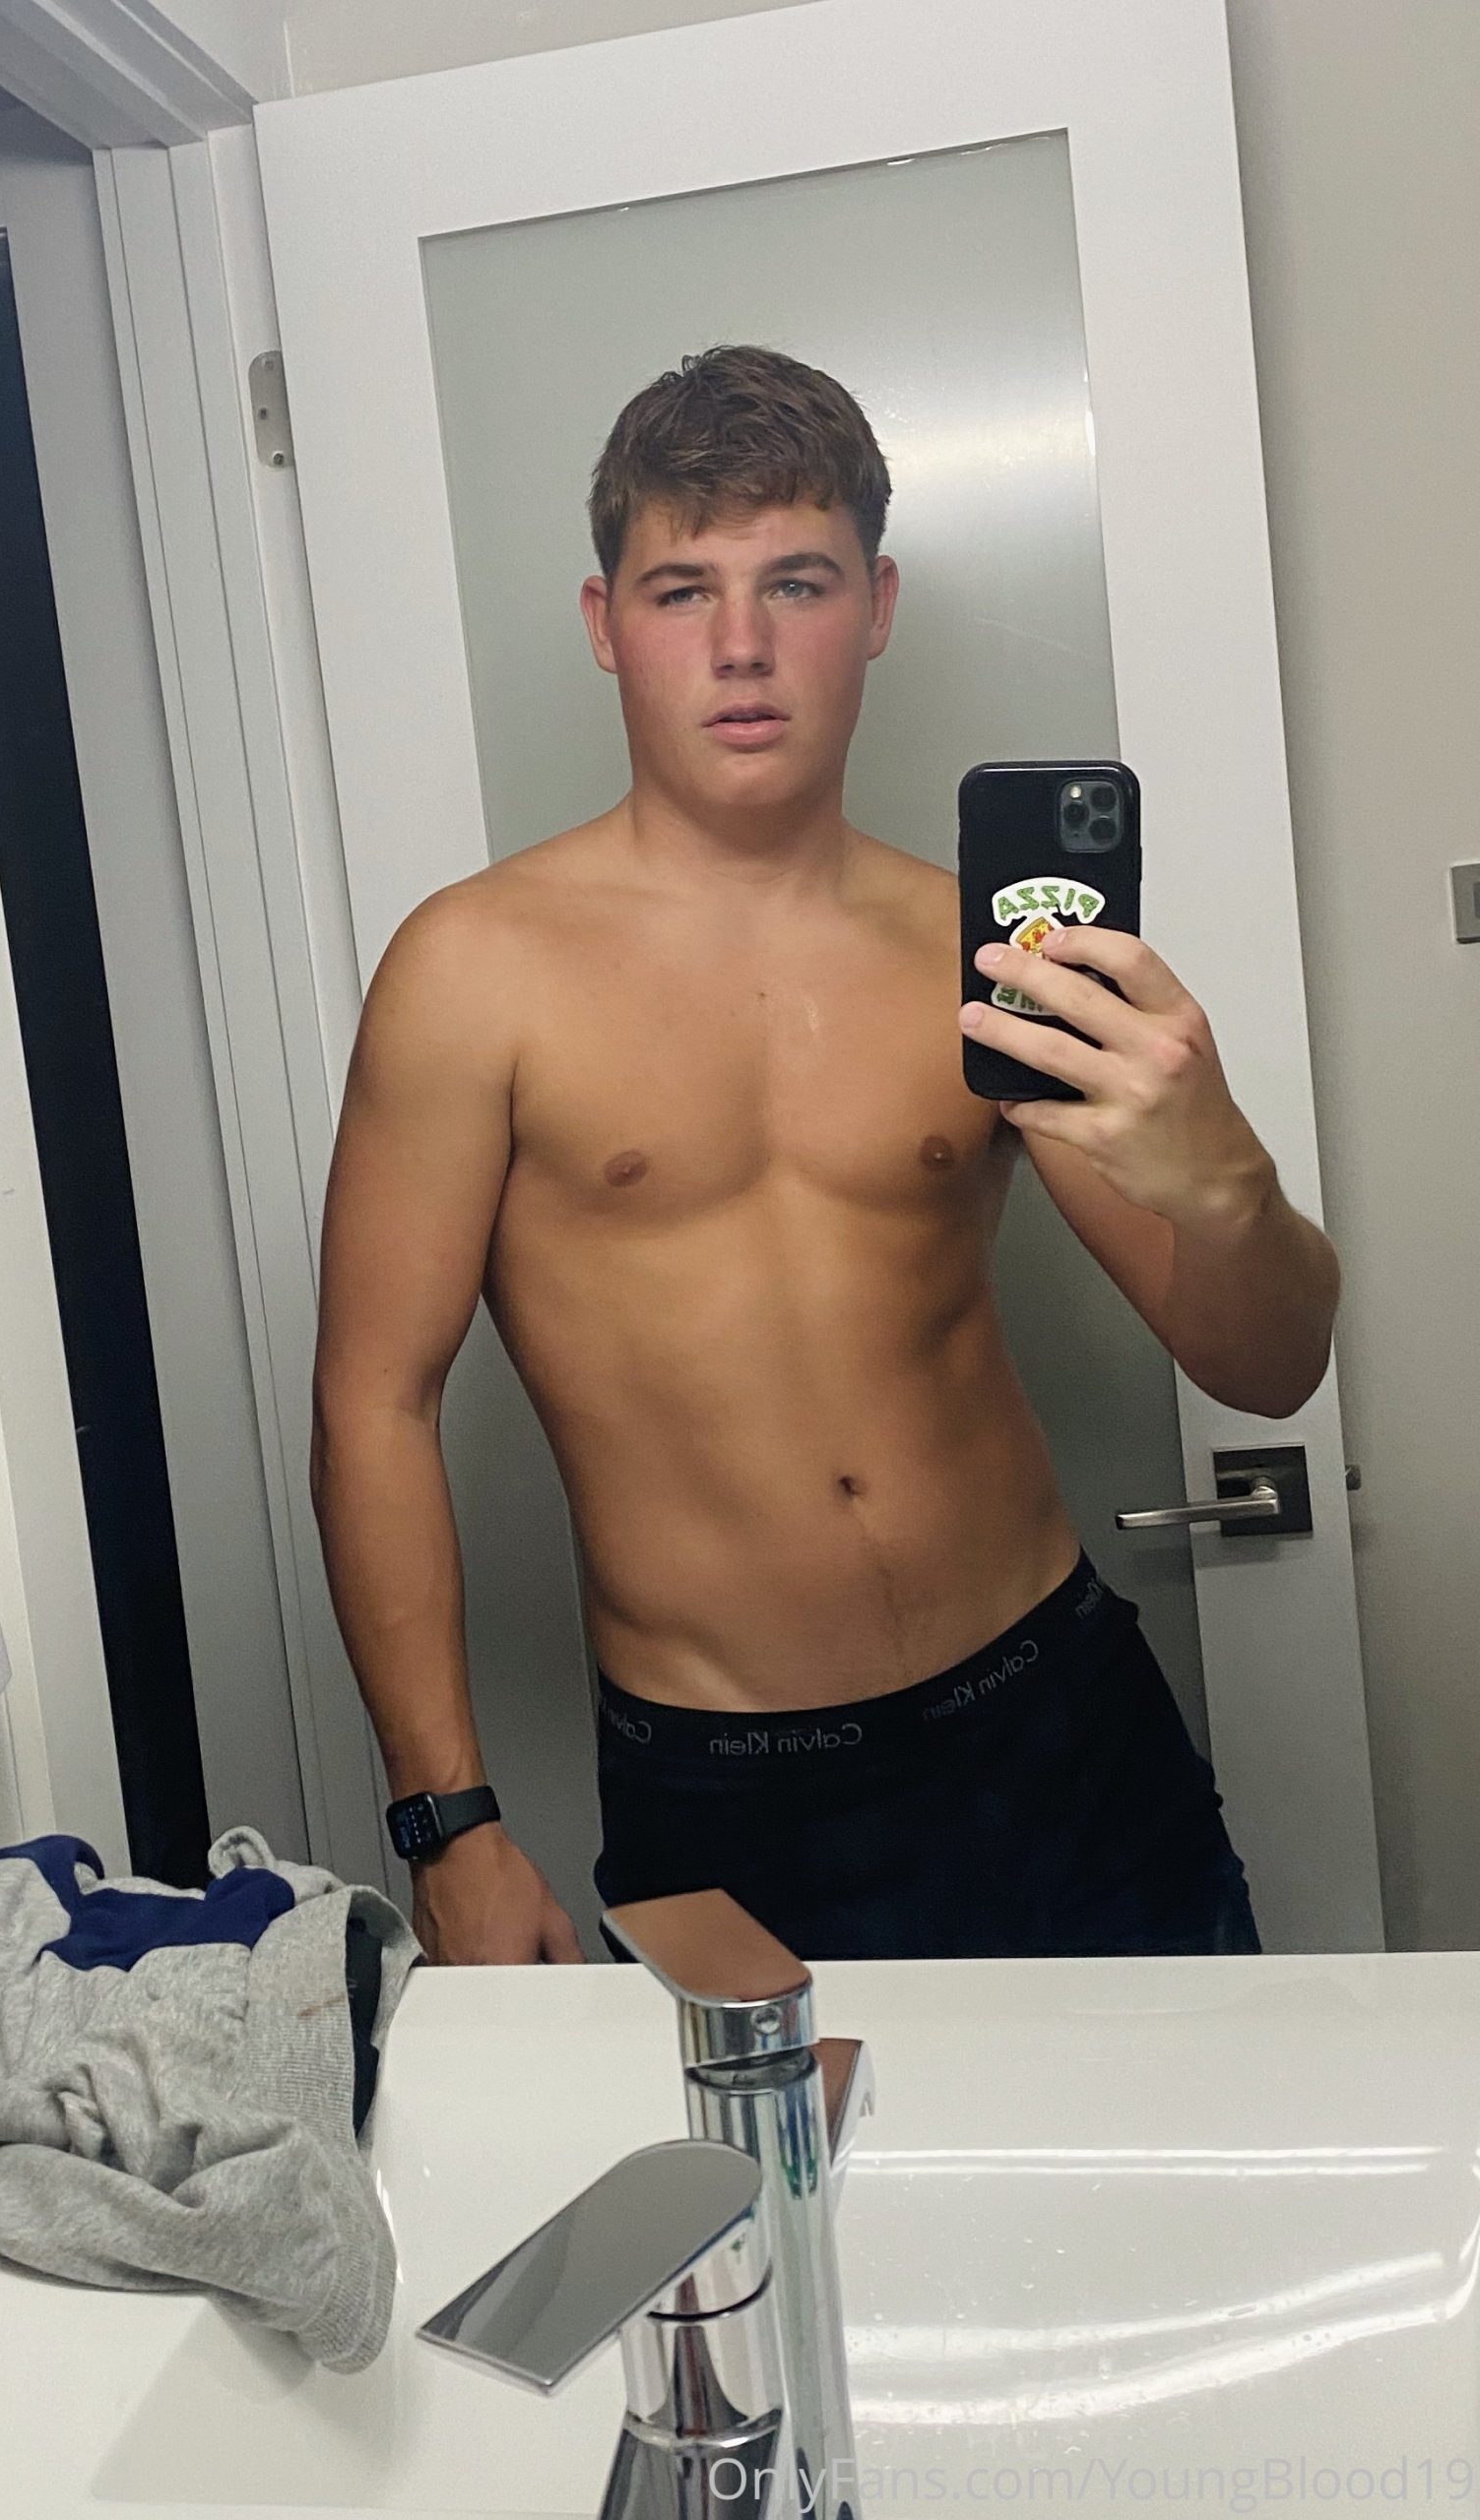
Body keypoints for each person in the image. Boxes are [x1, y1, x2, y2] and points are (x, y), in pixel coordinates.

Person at [309, 344, 1337, 1965]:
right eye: (682, 591)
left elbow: (1271, 1368)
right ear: (605, 624)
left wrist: (1230, 1187)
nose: (741, 645)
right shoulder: (474, 973)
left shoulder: (990, 954)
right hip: (724, 1791)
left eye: (796, 582)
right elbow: (376, 1403)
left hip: (1060, 1722)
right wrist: (449, 1824)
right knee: (795, 2150)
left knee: (1181, 2133)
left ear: (876, 607)